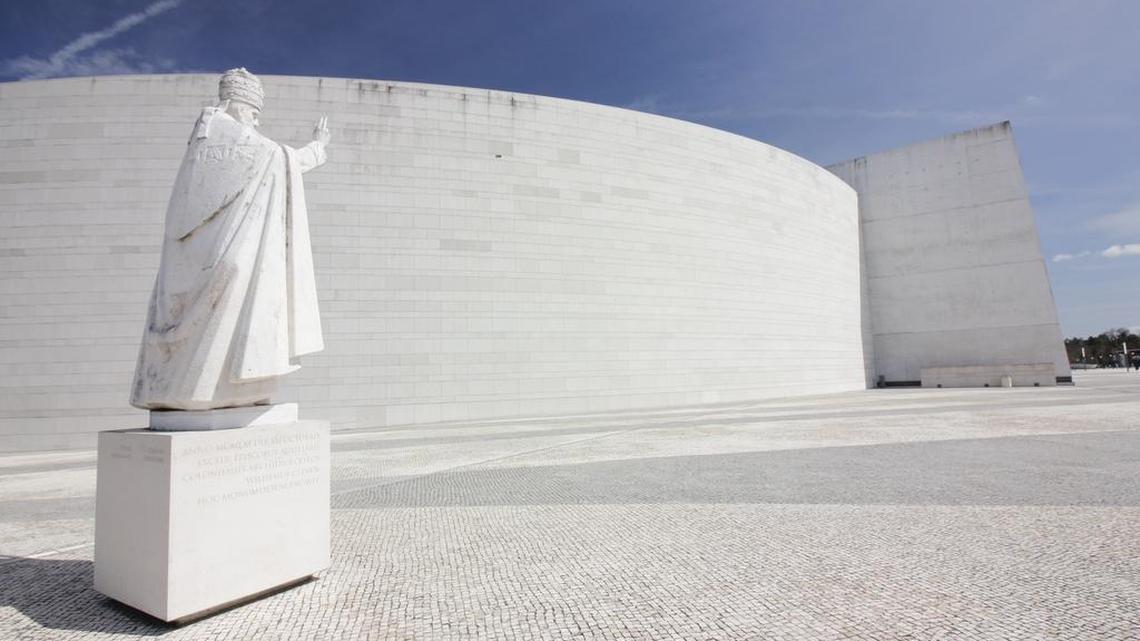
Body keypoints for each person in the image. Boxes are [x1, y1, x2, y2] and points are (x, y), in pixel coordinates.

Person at [130, 68, 331, 411]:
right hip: (227, 260)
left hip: (196, 265)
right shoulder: (239, 141)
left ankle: (187, 388)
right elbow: (283, 157)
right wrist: (318, 147)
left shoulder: (201, 144)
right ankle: (215, 389)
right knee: (237, 297)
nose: (255, 121)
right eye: (253, 112)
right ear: (238, 105)